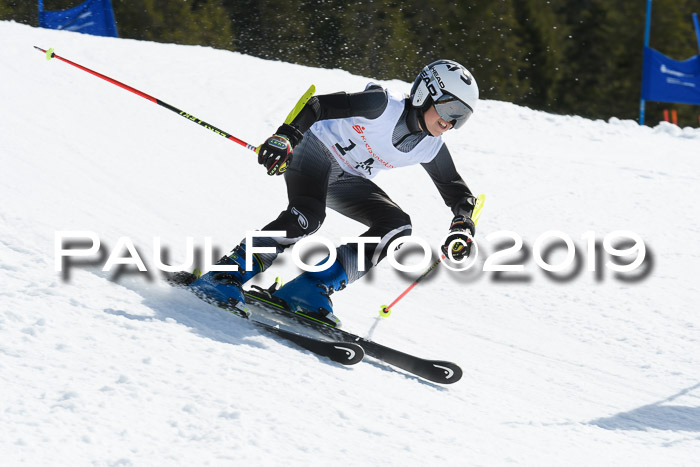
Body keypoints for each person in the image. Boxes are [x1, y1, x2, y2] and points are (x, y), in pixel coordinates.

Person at [190, 59, 479, 327]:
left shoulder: (430, 146)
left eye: (460, 117)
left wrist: (462, 224)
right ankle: (225, 274)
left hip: (346, 178)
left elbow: (456, 190)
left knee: (397, 226)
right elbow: (318, 106)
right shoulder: (382, 105)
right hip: (314, 149)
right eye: (449, 109)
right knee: (308, 216)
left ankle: (309, 289)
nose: (450, 122)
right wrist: (286, 135)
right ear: (424, 95)